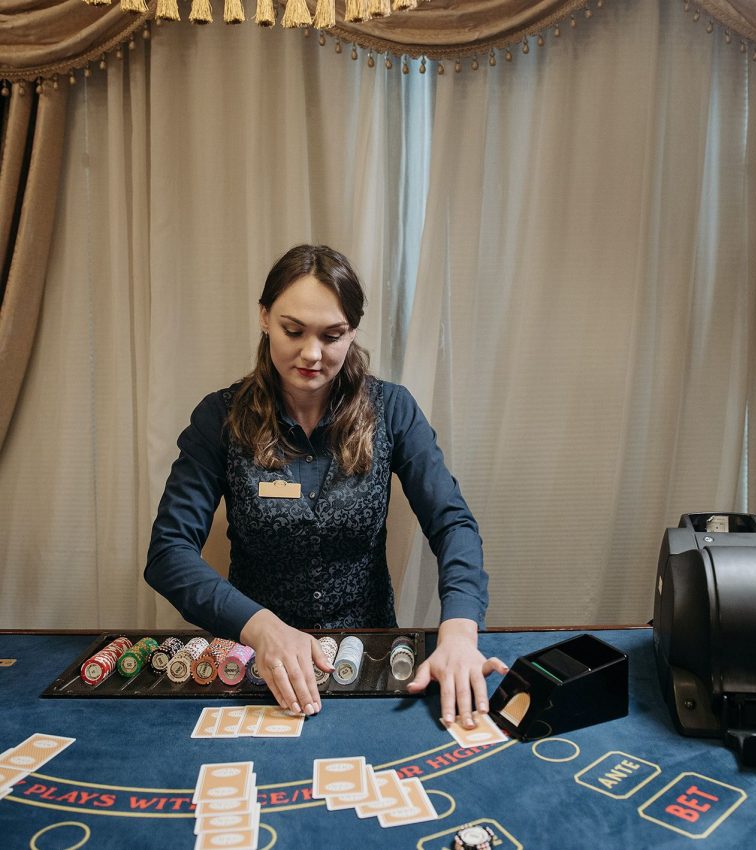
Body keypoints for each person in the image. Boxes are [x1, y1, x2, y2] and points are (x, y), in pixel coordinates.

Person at [145, 244, 507, 727]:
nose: (311, 354)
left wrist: (460, 632)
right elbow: (169, 552)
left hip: (373, 660)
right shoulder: (220, 417)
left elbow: (453, 523)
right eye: (293, 330)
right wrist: (263, 628)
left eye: (332, 335)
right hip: (258, 664)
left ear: (352, 332)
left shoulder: (393, 410)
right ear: (265, 318)